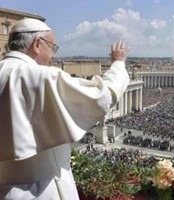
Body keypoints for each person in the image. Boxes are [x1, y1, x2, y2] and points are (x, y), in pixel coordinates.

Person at [0, 18, 130, 199]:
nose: (53, 56)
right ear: (37, 44)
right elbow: (102, 96)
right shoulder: (41, 77)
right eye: (53, 47)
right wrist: (118, 64)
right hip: (41, 191)